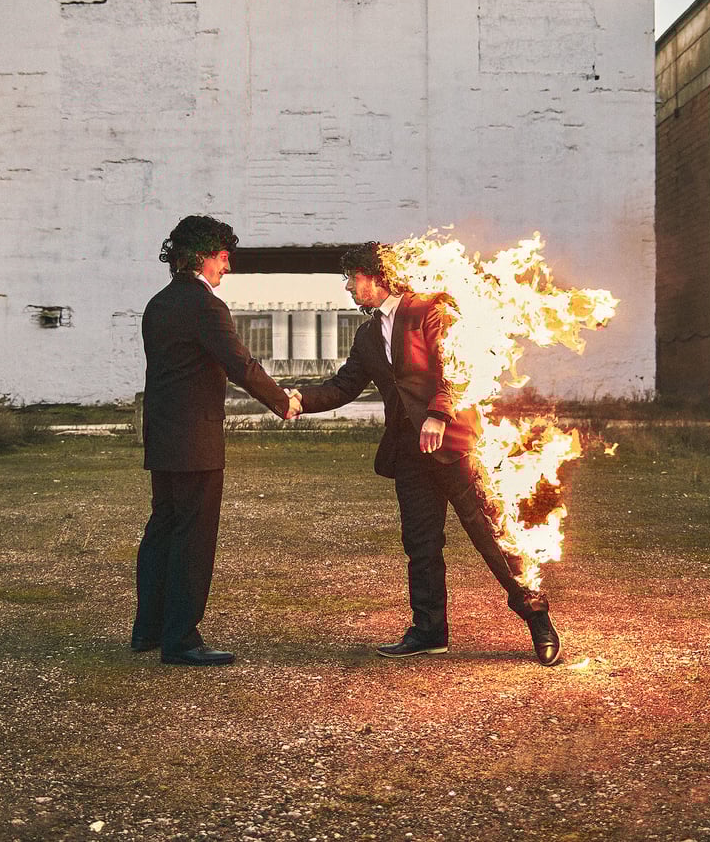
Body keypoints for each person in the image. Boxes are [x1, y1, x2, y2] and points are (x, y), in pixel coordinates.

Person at [291, 242, 561, 665]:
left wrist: (438, 413)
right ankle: (429, 631)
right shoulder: (366, 335)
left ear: (376, 276)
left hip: (452, 445)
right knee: (420, 543)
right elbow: (343, 387)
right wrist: (296, 400)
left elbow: (456, 362)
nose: (347, 287)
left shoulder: (429, 309)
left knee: (491, 536)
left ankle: (537, 618)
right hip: (409, 453)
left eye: (351, 278)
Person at [133, 215, 301, 666]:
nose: (227, 267)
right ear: (204, 256)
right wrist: (283, 402)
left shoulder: (158, 304)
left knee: (162, 531)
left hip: (163, 438)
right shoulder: (205, 306)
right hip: (195, 440)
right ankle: (182, 640)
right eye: (224, 258)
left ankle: (148, 629)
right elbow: (239, 364)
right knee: (193, 538)